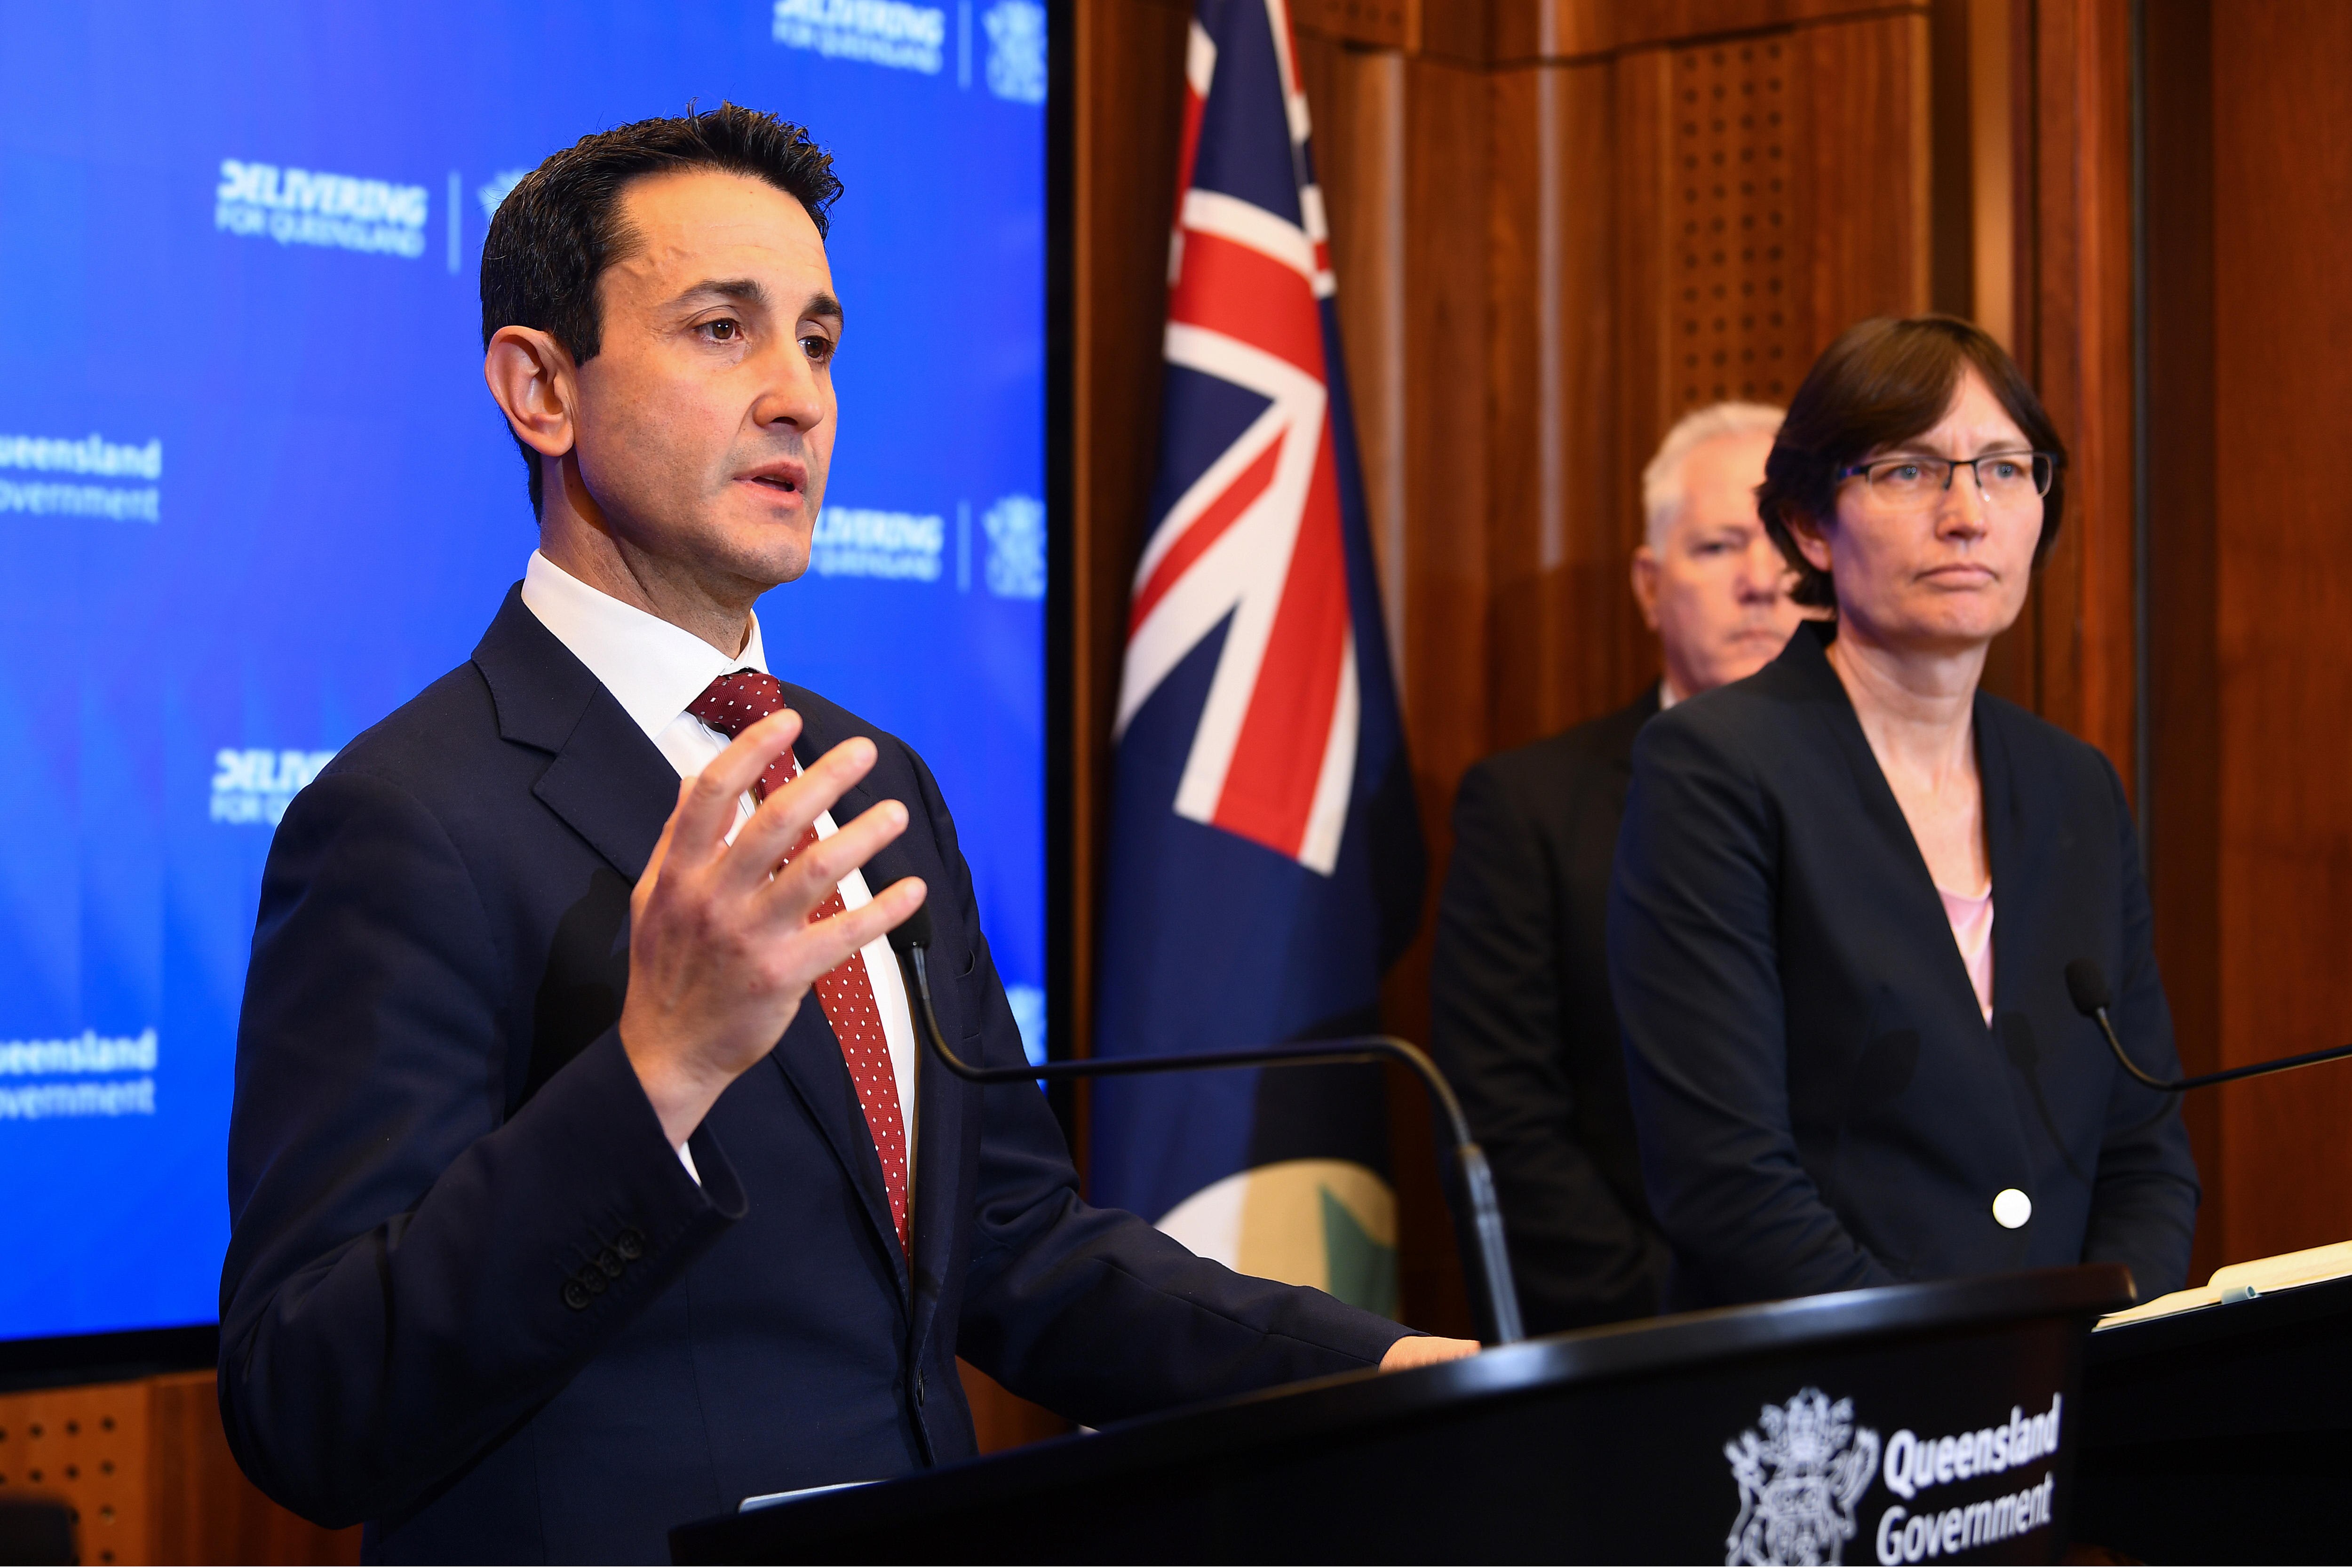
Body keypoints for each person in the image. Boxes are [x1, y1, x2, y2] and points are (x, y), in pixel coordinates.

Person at [215, 107, 1472, 1564]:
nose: (799, 397)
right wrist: (657, 1070)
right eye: (720, 330)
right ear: (540, 387)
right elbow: (306, 1402)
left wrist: (1370, 1374)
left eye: (816, 339)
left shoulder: (868, 776)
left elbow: (1014, 1240)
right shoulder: (406, 818)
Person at [1608, 315, 2199, 1311]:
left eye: (2006, 468)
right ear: (1807, 524)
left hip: (2072, 1404)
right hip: (1831, 1412)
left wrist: (2106, 1341)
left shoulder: (2075, 788)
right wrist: (1953, 1374)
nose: (1968, 512)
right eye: (1908, 471)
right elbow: (1730, 1185)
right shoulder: (1714, 769)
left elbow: (2142, 1151)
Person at [1429, 402, 1805, 1333]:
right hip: (1641, 1350)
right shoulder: (1528, 808)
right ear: (1649, 584)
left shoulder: (1915, 792)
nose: (1760, 582)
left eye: (1783, 545)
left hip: (1904, 1337)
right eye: (1718, 547)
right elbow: (1504, 1123)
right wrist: (1680, 1327)